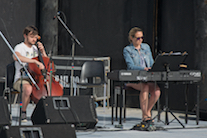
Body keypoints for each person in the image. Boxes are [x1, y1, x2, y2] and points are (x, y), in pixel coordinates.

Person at [123, 27, 161, 123]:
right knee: (145, 87)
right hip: (134, 78)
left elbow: (151, 62)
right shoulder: (128, 50)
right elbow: (131, 66)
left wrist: (154, 68)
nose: (140, 40)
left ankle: (147, 112)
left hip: (147, 77)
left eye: (141, 38)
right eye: (137, 38)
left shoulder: (146, 47)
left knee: (157, 91)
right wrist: (143, 68)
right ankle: (146, 116)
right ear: (132, 38)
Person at [13, 25, 47, 122]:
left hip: (36, 78)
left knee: (48, 88)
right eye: (32, 37)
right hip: (22, 79)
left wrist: (43, 51)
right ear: (25, 36)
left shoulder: (36, 49)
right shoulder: (19, 47)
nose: (34, 39)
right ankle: (23, 112)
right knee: (28, 89)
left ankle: (44, 114)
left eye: (36, 37)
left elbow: (45, 62)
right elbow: (17, 57)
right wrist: (34, 61)